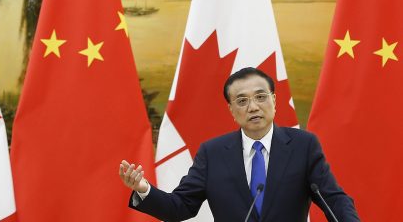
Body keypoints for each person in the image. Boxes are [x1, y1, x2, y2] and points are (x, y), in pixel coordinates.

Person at [119, 67, 359, 221]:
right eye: (242, 101)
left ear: (274, 101)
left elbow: (333, 199)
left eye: (261, 97)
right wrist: (143, 188)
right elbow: (180, 206)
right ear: (231, 110)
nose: (253, 107)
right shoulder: (212, 153)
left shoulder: (303, 146)